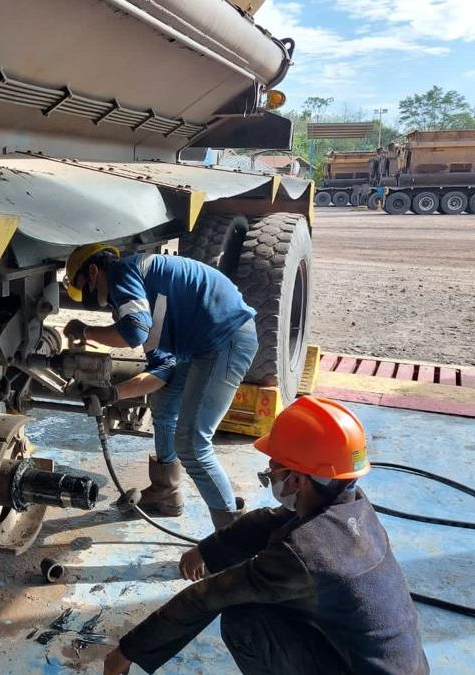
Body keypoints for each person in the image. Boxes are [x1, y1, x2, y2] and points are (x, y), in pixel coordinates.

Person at [104, 396, 429, 675]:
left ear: (299, 479)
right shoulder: (351, 506)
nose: (270, 477)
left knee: (244, 621)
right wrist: (207, 551)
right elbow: (268, 522)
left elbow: (208, 597)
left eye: (274, 470)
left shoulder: (304, 554)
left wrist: (127, 651)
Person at [62, 243, 258, 528]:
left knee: (192, 443)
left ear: (93, 271)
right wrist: (114, 394)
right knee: (165, 403)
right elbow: (163, 371)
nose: (92, 300)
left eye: (82, 286)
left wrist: (85, 330)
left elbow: (134, 332)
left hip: (226, 339)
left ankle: (231, 532)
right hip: (205, 345)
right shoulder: (146, 292)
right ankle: (166, 492)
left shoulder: (121, 271)